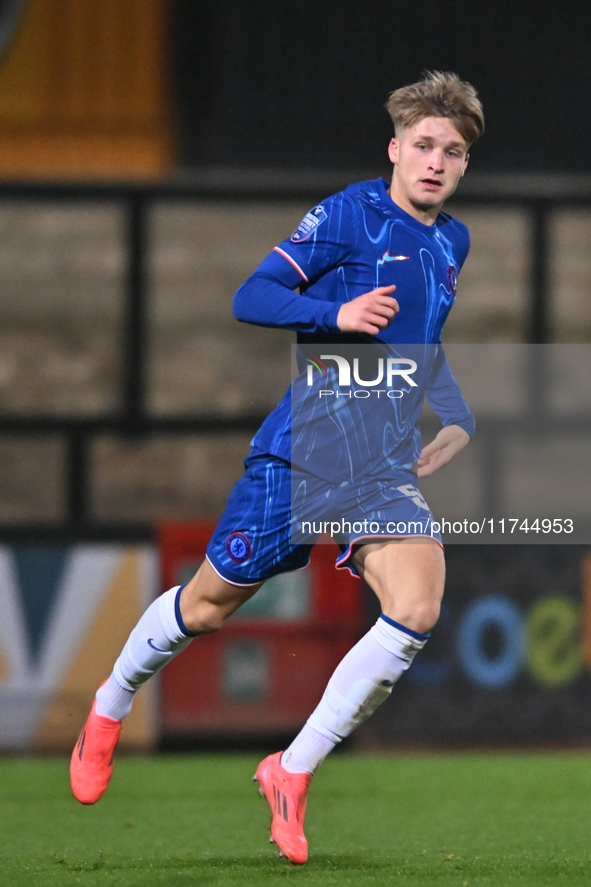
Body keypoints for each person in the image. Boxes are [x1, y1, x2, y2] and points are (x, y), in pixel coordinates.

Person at [70, 71, 484, 865]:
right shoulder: (347, 215)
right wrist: (334, 314)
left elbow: (419, 343)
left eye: (452, 151)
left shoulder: (450, 241)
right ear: (395, 149)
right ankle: (110, 701)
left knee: (419, 605)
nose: (435, 161)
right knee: (209, 605)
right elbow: (250, 295)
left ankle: (290, 770)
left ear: (463, 166)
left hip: (380, 468)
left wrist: (457, 413)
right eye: (423, 146)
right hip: (303, 454)